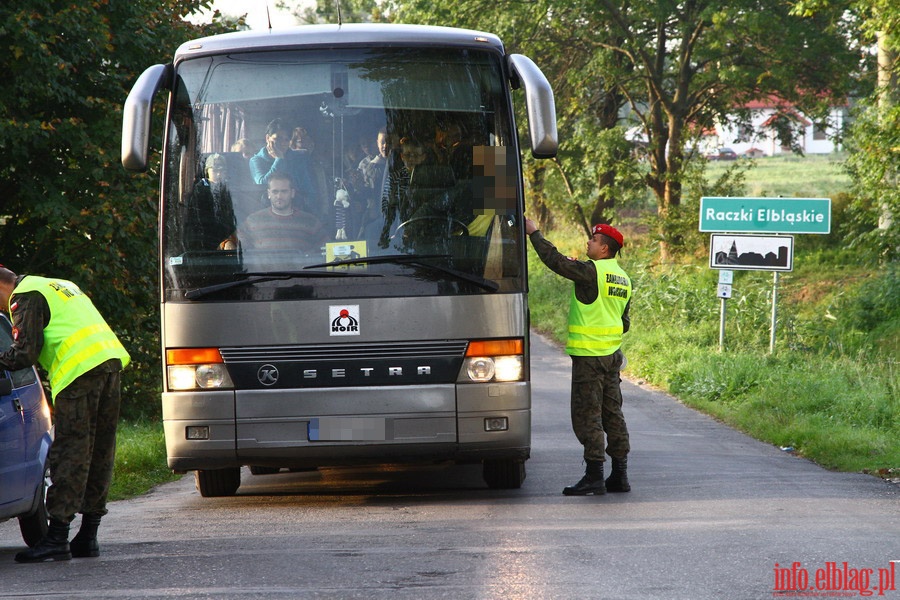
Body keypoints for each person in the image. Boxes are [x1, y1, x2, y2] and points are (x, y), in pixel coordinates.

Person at [0, 267, 131, 562]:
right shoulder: (57, 284)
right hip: (108, 365)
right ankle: (88, 536)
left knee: (71, 452)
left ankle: (57, 538)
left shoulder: (26, 296)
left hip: (79, 374)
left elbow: (24, 353)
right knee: (99, 451)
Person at [524, 218, 632, 496]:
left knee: (588, 415)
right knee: (613, 413)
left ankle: (594, 475)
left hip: (589, 356)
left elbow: (555, 261)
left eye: (594, 240)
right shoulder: (623, 278)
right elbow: (625, 322)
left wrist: (534, 233)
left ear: (604, 249)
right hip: (612, 355)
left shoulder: (592, 272)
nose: (589, 242)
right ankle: (620, 475)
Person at [239, 172, 328, 253]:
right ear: (269, 194)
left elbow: (327, 249)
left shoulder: (310, 222)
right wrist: (230, 243)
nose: (279, 196)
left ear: (292, 193)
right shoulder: (254, 220)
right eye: (275, 192)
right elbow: (233, 241)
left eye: (284, 191)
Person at [185, 153, 237, 251]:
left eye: (222, 171)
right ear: (207, 171)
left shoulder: (228, 190)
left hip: (226, 240)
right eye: (215, 170)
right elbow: (197, 219)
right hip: (205, 239)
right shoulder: (199, 190)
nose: (219, 174)